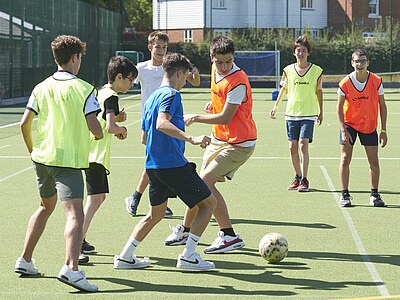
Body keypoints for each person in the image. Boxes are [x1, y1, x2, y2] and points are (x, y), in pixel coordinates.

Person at [14, 35, 103, 292]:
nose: (80, 61)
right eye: (80, 57)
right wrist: (99, 134)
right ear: (75, 57)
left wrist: (33, 152)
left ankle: (25, 260)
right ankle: (71, 269)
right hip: (67, 161)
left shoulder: (40, 87)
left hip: (42, 159)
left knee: (45, 206)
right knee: (75, 213)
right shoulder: (85, 89)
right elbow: (94, 126)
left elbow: (24, 124)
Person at [114, 53, 216, 271]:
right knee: (208, 204)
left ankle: (125, 256)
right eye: (186, 76)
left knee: (156, 214)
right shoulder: (172, 95)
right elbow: (162, 124)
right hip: (172, 164)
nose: (185, 81)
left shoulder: (151, 98)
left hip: (153, 165)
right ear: (179, 73)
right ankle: (189, 255)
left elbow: (144, 137)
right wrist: (192, 138)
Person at [164, 36, 257, 254]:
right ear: (211, 58)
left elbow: (225, 117)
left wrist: (196, 117)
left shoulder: (238, 81)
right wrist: (213, 105)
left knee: (204, 183)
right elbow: (220, 102)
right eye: (219, 62)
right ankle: (186, 230)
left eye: (228, 61)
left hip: (239, 143)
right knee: (197, 183)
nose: (224, 66)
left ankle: (229, 235)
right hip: (220, 139)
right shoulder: (216, 70)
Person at [124, 31, 200, 217]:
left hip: (168, 119)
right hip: (150, 122)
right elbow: (125, 83)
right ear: (150, 47)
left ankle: (144, 197)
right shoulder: (142, 68)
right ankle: (141, 197)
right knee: (156, 160)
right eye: (157, 46)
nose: (161, 50)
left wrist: (195, 74)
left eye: (164, 47)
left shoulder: (170, 67)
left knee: (159, 160)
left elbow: (195, 82)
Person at [80, 56, 138, 257]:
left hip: (90, 152)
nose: (131, 84)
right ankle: (77, 241)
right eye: (130, 80)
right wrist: (122, 128)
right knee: (95, 200)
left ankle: (80, 238)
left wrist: (115, 121)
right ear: (119, 77)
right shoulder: (111, 96)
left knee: (97, 198)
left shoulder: (102, 92)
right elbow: (112, 127)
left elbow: (104, 120)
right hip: (94, 155)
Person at [269, 34, 323, 192]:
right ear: (294, 52)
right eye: (298, 50)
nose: (301, 53)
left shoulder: (316, 71)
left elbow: (319, 92)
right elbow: (283, 90)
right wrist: (275, 107)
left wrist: (321, 111)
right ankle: (297, 176)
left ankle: (305, 179)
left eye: (304, 50)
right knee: (292, 147)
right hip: (291, 113)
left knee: (302, 144)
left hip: (309, 113)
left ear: (308, 52)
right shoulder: (288, 70)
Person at [337, 48, 387, 207]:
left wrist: (383, 130)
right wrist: (343, 130)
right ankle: (345, 194)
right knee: (345, 158)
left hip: (369, 124)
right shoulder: (345, 82)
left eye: (363, 61)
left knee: (373, 160)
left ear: (368, 63)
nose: (360, 64)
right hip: (349, 124)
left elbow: (382, 106)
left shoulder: (376, 80)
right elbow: (338, 108)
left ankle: (374, 194)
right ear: (352, 63)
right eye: (357, 61)